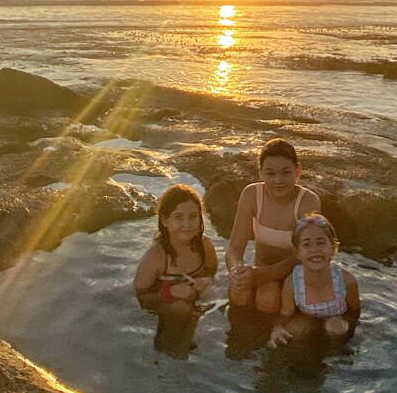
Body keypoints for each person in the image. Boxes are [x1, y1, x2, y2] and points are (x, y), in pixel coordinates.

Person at [226, 138, 321, 315]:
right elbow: (234, 248)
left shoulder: (308, 201)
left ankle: (272, 338)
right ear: (260, 172)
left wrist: (258, 276)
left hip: (296, 273)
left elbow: (302, 257)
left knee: (268, 300)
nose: (278, 180)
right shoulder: (251, 194)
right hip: (261, 269)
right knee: (238, 293)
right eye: (270, 173)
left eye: (285, 172)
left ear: (298, 170)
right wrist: (236, 271)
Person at [269, 213, 359, 346]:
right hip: (307, 321)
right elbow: (285, 314)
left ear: (334, 248)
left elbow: (355, 313)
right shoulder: (292, 283)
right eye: (306, 245)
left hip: (335, 323)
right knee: (295, 329)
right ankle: (303, 361)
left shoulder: (347, 281)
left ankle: (335, 358)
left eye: (321, 243)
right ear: (297, 252)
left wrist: (344, 325)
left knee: (335, 326)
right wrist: (277, 329)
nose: (315, 250)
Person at [133, 184, 218, 308]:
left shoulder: (205, 246)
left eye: (193, 216)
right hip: (165, 308)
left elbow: (211, 271)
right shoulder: (156, 256)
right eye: (179, 217)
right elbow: (139, 297)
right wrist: (169, 293)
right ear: (164, 220)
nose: (187, 224)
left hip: (195, 303)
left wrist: (206, 280)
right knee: (180, 308)